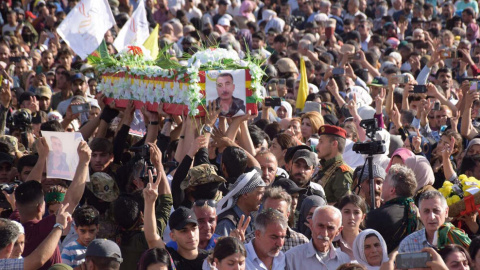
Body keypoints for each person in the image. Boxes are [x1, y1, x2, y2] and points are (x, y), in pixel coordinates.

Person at [12, 139, 90, 270]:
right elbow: (71, 200)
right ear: (40, 207)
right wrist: (84, 162)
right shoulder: (45, 228)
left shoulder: (14, 222)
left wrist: (42, 158)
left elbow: (28, 190)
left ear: (17, 205)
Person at [143, 170, 209, 270]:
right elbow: (152, 238)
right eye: (184, 230)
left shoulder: (210, 259)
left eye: (194, 228)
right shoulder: (170, 260)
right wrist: (149, 202)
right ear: (172, 236)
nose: (191, 234)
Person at [366, 164, 419, 253]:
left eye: (385, 180)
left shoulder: (377, 216)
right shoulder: (420, 212)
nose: (382, 184)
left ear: (392, 190)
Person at [0, 203, 70, 269]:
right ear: (9, 246)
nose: (20, 249)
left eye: (22, 243)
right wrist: (59, 226)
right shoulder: (3, 265)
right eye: (15, 244)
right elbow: (39, 259)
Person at [398, 190, 471, 252]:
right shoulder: (408, 245)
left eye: (436, 211)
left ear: (446, 212)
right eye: (426, 211)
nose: (432, 217)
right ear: (420, 213)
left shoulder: (458, 239)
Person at [285, 205, 350, 269]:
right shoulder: (292, 258)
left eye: (330, 228)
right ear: (311, 225)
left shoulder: (344, 260)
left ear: (338, 231)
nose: (325, 233)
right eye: (321, 226)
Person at [245, 187, 309, 252]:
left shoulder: (301, 242)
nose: (274, 216)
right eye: (270, 211)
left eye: (279, 212)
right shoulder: (249, 242)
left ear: (287, 215)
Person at [216, 171, 266, 236]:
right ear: (245, 194)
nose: (263, 198)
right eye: (259, 193)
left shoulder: (250, 218)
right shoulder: (226, 223)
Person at [312, 124, 353, 204]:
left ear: (334, 144)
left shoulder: (342, 172)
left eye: (321, 142)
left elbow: (344, 205)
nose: (317, 147)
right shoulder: (323, 167)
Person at [335, 194, 367, 260]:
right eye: (347, 212)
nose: (351, 217)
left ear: (363, 217)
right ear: (339, 214)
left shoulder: (370, 242)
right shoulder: (331, 242)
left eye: (356, 213)